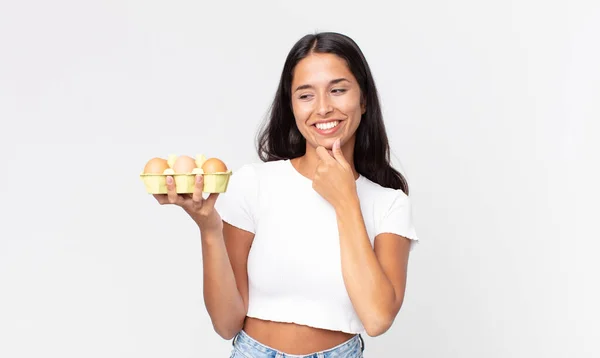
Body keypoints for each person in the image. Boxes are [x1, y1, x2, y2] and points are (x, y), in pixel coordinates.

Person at [153, 32, 419, 358]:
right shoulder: (254, 183)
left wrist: (346, 199)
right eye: (306, 95)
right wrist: (210, 230)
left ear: (363, 100)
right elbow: (226, 324)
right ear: (291, 106)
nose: (323, 108)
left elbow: (377, 319)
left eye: (338, 90)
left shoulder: (389, 204)